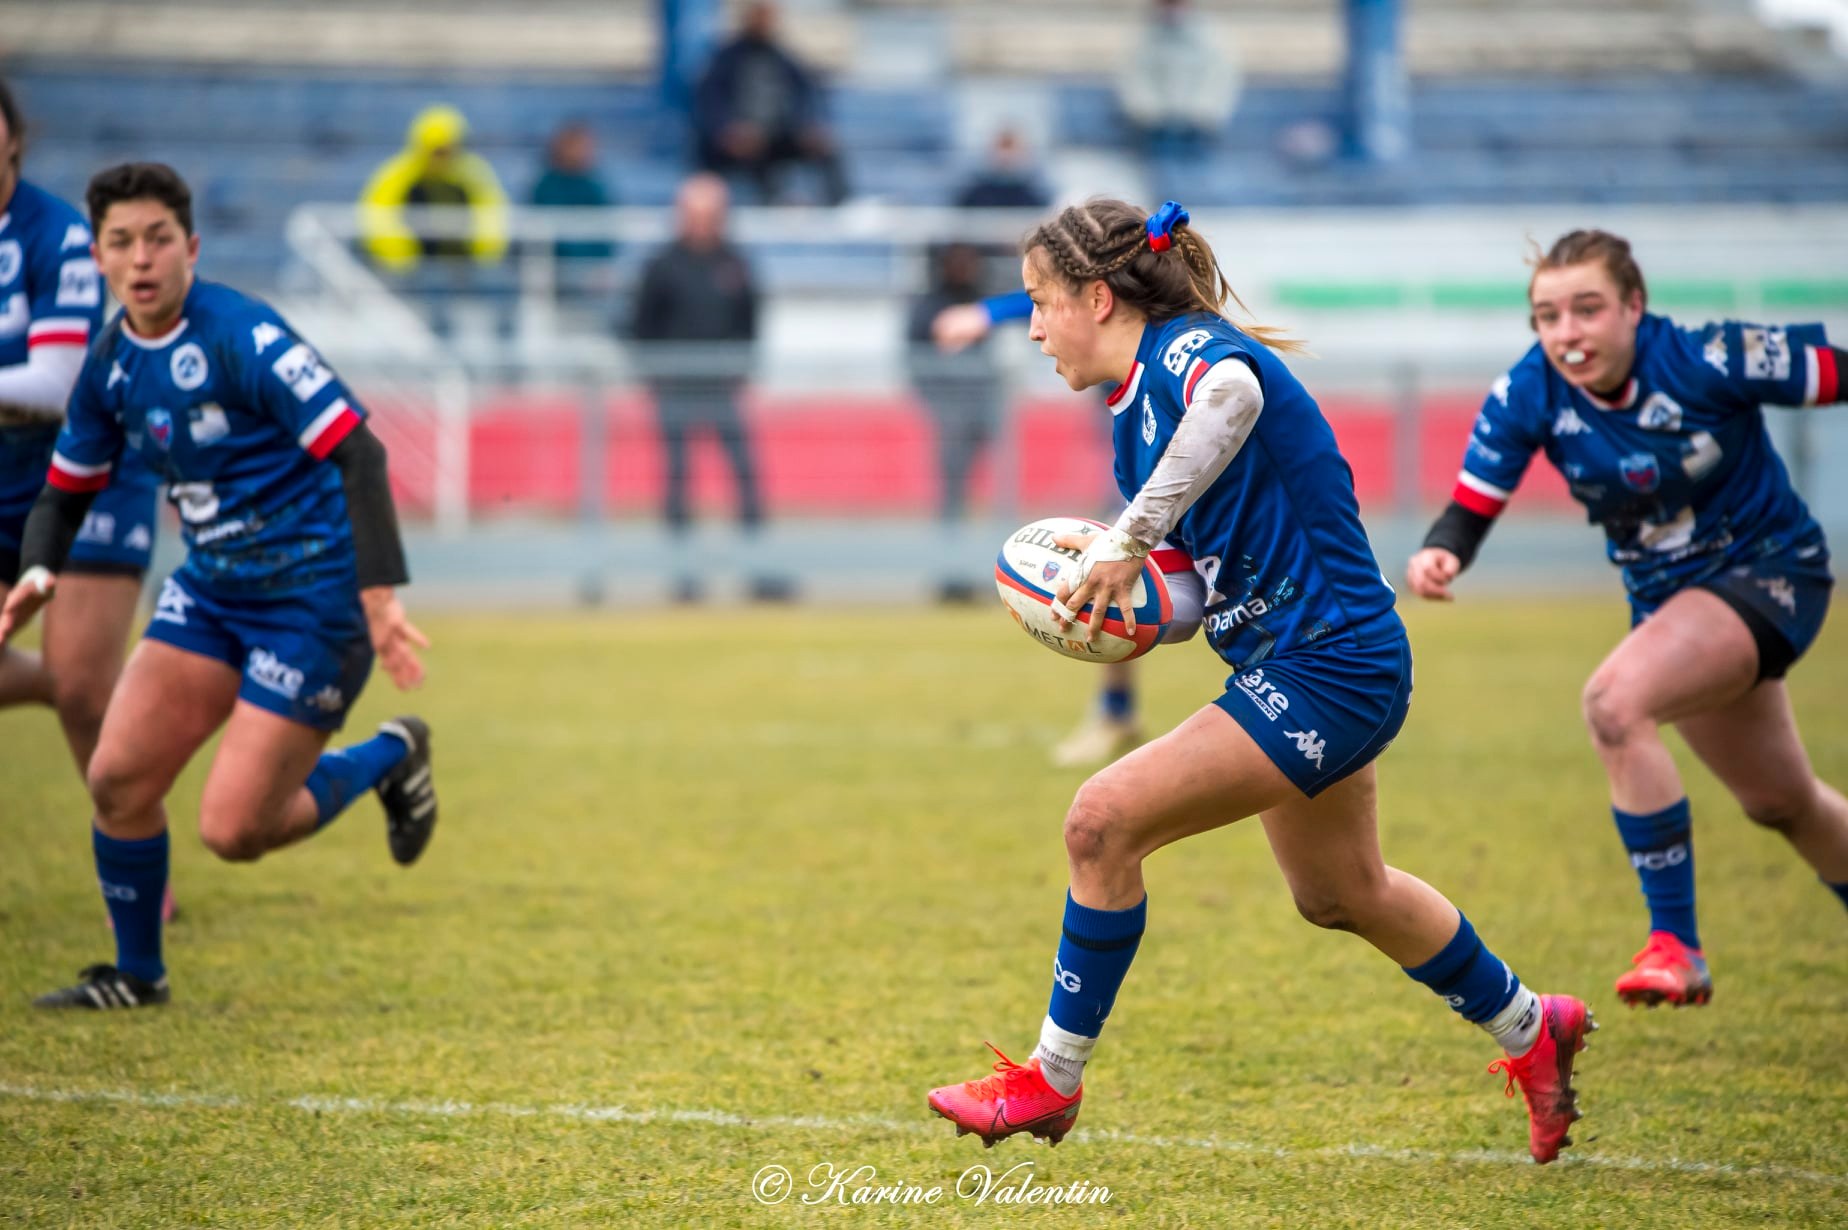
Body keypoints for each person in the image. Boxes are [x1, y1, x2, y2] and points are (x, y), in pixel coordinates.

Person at [926, 199, 1593, 1165]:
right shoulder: (1129, 424)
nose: (1029, 328)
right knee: (1341, 892)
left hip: (1330, 662)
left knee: (1100, 822)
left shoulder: (1189, 352)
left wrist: (1126, 539)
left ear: (1098, 298)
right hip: (1297, 662)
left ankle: (1050, 1081)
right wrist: (1131, 615)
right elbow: (1199, 585)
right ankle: (1537, 1029)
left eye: (1038, 303)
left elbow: (1234, 396)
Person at [1, 163, 439, 1010]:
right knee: (119, 780)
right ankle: (138, 973)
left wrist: (380, 599)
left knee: (235, 831)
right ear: (98, 257)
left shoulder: (243, 335)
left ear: (191, 248)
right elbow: (65, 490)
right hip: (211, 593)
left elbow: (361, 452)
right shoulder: (111, 365)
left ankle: (392, 752)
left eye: (158, 239)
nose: (142, 260)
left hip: (312, 598)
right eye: (121, 243)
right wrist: (38, 572)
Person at [1407, 229, 1848, 1008]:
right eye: (1548, 316)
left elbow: (1835, 373)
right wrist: (1443, 553)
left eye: (1588, 309)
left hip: (1770, 573)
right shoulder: (1530, 390)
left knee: (1615, 704)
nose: (1567, 333)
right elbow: (1474, 499)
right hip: (1671, 608)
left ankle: (1674, 946)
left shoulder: (1706, 357)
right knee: (1781, 803)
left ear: (1636, 308)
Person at [0, 79, 177, 921]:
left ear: (14, 143)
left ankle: (146, 868)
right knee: (72, 682)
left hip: (90, 468)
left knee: (79, 689)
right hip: (6, 477)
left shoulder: (57, 237)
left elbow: (59, 381)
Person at [931, 289, 1144, 766]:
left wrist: (985, 312)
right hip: (1138, 460)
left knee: (1118, 571)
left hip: (1169, 464)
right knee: (1108, 573)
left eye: (1040, 311)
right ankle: (1116, 713)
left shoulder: (1164, 357)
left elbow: (1059, 286)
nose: (1036, 331)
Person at [631, 174, 766, 590]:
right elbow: (641, 325)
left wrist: (740, 368)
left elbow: (751, 321)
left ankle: (761, 571)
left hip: (721, 387)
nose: (704, 222)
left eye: (712, 213)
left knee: (745, 474)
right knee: (677, 479)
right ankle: (682, 575)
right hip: (674, 387)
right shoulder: (662, 265)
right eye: (696, 213)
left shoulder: (735, 262)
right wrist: (654, 374)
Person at [359, 105, 511, 339]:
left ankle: (504, 356)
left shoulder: (473, 174)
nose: (444, 156)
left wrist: (480, 254)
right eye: (438, 150)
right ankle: (444, 354)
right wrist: (404, 258)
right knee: (434, 287)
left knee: (500, 286)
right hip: (419, 265)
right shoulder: (399, 175)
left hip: (464, 264)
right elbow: (377, 217)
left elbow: (493, 218)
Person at [693, 1, 848, 206]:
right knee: (752, 148)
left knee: (826, 150)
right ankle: (768, 205)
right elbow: (710, 101)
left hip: (778, 134)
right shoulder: (726, 59)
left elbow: (807, 92)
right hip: (738, 140)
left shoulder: (781, 57)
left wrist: (809, 126)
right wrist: (727, 130)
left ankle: (840, 204)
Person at [1115, 0, 1240, 168]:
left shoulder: (1208, 38)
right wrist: (1149, 112)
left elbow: (1218, 79)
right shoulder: (1145, 38)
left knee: (1196, 174)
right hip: (1154, 127)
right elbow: (1134, 79)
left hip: (1197, 127)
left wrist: (1201, 112)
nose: (1171, 10)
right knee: (1157, 170)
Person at [528, 120, 616, 311]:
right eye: (577, 145)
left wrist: (597, 268)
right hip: (552, 276)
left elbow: (607, 233)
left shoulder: (595, 185)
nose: (584, 151)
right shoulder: (546, 185)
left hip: (588, 280)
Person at [953, 129, 1051, 211]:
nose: (1006, 155)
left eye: (1011, 148)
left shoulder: (1033, 197)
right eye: (1002, 147)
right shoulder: (973, 196)